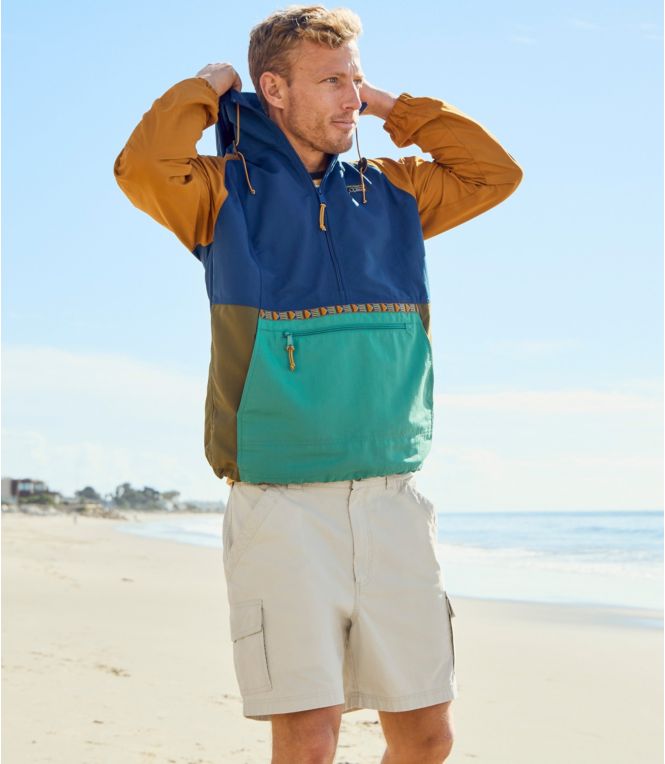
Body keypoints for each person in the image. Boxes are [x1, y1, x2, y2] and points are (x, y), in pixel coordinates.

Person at [114, 5, 523, 762]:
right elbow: (141, 168)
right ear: (273, 88)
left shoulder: (395, 190)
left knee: (428, 736)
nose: (351, 98)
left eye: (356, 79)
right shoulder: (219, 194)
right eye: (331, 81)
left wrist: (391, 107)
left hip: (392, 500)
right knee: (308, 738)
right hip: (281, 506)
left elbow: (494, 173)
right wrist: (208, 86)